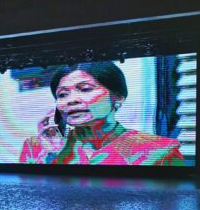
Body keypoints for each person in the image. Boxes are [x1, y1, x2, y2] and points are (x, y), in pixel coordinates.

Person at [19, 61, 185, 165]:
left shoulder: (159, 150)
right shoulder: (36, 147)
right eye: (62, 94)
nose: (71, 100)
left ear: (118, 97)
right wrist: (51, 155)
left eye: (85, 89)